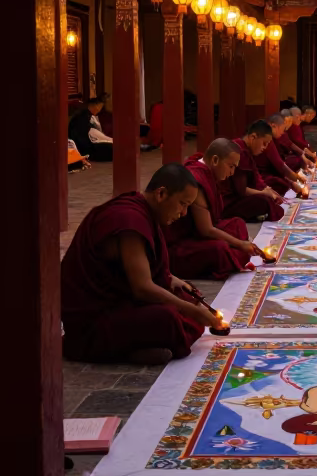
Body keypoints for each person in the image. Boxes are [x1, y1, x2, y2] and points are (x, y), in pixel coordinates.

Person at [61, 162, 224, 364]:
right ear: (161, 194)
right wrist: (191, 311)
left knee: (187, 296)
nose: (184, 214)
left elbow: (133, 268)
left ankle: (138, 343)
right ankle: (122, 351)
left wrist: (172, 279)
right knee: (169, 319)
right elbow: (142, 289)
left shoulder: (143, 210)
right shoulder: (129, 220)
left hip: (119, 302)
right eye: (183, 204)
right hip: (93, 323)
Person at [165, 139, 263, 278]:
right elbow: (206, 230)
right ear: (215, 160)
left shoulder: (208, 174)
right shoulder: (196, 178)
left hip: (198, 232)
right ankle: (230, 257)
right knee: (220, 249)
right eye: (231, 166)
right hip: (182, 242)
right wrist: (240, 244)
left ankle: (233, 254)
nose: (232, 172)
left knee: (237, 224)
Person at [221, 120, 286, 223]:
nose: (264, 148)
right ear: (253, 137)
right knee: (264, 202)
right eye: (264, 144)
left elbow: (256, 176)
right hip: (227, 201)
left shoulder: (246, 150)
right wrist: (263, 193)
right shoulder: (239, 152)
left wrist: (267, 190)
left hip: (238, 195)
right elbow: (241, 191)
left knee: (274, 187)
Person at [254, 114, 307, 195]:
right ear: (273, 126)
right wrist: (296, 179)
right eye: (282, 129)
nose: (283, 132)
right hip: (261, 176)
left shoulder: (271, 138)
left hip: (267, 172)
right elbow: (279, 164)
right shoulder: (265, 138)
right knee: (280, 183)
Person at [68, 96, 114, 162]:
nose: (99, 110)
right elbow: (83, 135)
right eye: (99, 107)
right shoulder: (82, 116)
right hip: (84, 145)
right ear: (95, 105)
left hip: (88, 142)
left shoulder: (87, 115)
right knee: (111, 149)